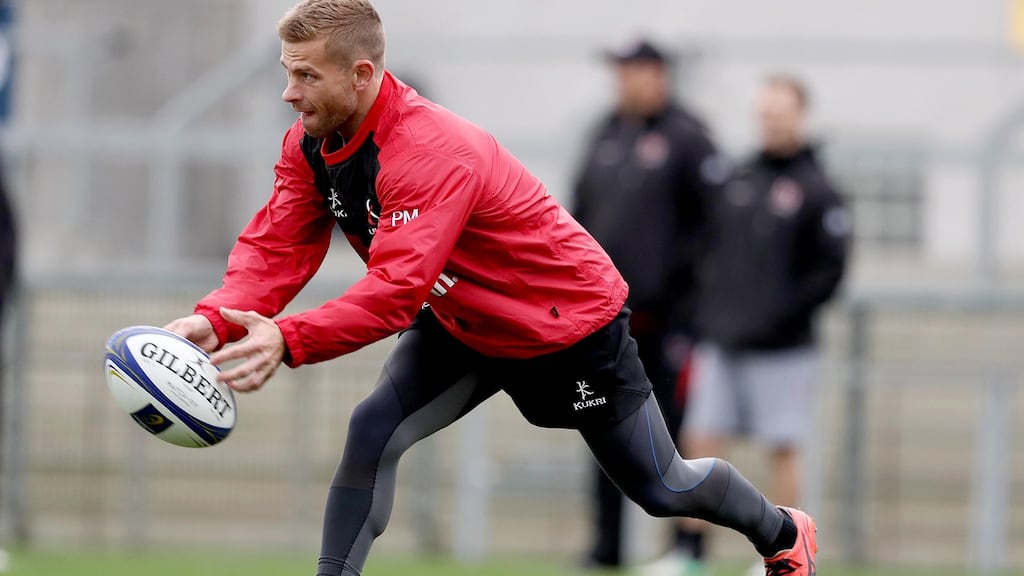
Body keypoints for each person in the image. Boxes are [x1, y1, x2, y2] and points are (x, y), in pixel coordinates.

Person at [164, 3, 818, 575]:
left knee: (664, 486)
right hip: (462, 321)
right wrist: (217, 318)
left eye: (306, 74)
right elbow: (276, 245)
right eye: (287, 70)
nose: (289, 91)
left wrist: (288, 336)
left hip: (565, 329)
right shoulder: (309, 145)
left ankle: (784, 534)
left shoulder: (426, 149)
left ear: (362, 74)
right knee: (372, 429)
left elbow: (394, 290)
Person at [680, 74, 850, 573]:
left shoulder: (818, 188)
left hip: (783, 348)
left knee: (783, 445)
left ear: (800, 115)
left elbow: (829, 271)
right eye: (765, 112)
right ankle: (690, 553)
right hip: (721, 340)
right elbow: (706, 252)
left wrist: (779, 318)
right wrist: (708, 314)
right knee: (701, 439)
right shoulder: (738, 180)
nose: (771, 121)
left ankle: (782, 553)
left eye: (781, 111)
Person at [571, 37, 718, 572]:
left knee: (679, 434)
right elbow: (577, 220)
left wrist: (694, 307)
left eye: (630, 71)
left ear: (657, 74)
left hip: (670, 324)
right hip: (607, 325)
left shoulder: (690, 139)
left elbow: (713, 231)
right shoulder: (604, 134)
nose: (621, 81)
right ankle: (606, 547)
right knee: (601, 425)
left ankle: (688, 551)